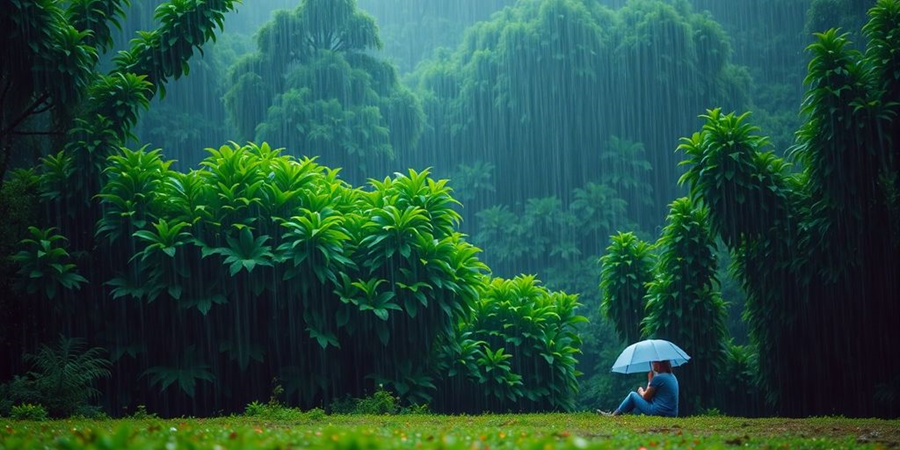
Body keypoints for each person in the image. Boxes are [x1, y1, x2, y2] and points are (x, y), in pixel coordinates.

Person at [603, 360, 679, 417]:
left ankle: (613, 416)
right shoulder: (672, 376)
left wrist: (641, 391)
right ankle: (620, 414)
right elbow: (651, 396)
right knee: (637, 405)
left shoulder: (658, 378)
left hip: (659, 412)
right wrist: (650, 380)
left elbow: (646, 397)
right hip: (672, 413)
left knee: (632, 396)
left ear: (658, 364)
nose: (652, 364)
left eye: (653, 362)